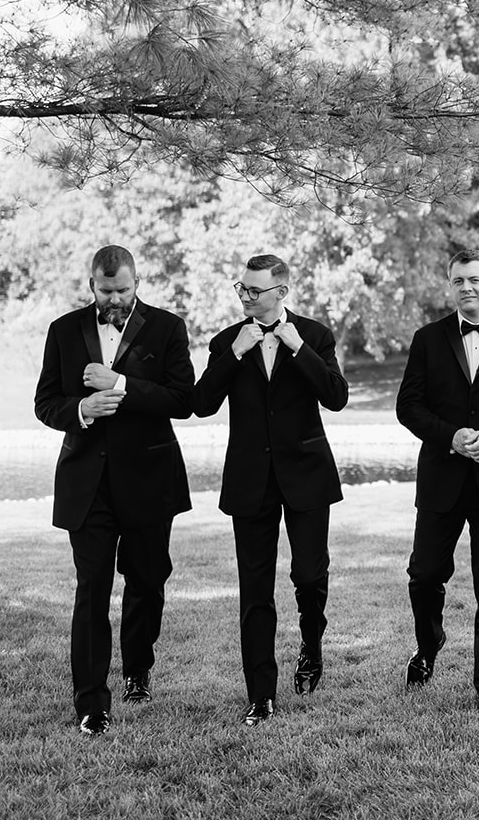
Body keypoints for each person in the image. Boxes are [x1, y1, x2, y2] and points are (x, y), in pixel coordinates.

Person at [34, 245, 194, 737]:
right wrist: (83, 411)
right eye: (106, 291)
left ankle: (138, 670)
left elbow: (183, 400)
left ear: (137, 281)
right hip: (87, 484)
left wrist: (121, 384)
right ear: (91, 286)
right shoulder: (64, 330)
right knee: (92, 589)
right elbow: (45, 403)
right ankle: (91, 703)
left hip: (149, 478)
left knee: (147, 582)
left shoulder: (167, 328)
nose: (115, 299)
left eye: (123, 289)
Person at [194, 253, 349, 727]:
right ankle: (260, 694)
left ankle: (312, 643)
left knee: (309, 574)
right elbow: (200, 404)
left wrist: (299, 348)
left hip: (307, 472)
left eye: (254, 291)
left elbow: (336, 397)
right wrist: (236, 352)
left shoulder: (315, 335)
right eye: (240, 288)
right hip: (250, 480)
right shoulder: (226, 341)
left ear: (281, 293)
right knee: (255, 589)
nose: (244, 296)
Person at [395, 249, 479, 713]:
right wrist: (451, 437)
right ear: (449, 286)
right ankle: (428, 645)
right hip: (442, 477)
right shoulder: (428, 338)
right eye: (458, 280)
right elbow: (408, 407)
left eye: (475, 279)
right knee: (424, 575)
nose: (467, 287)